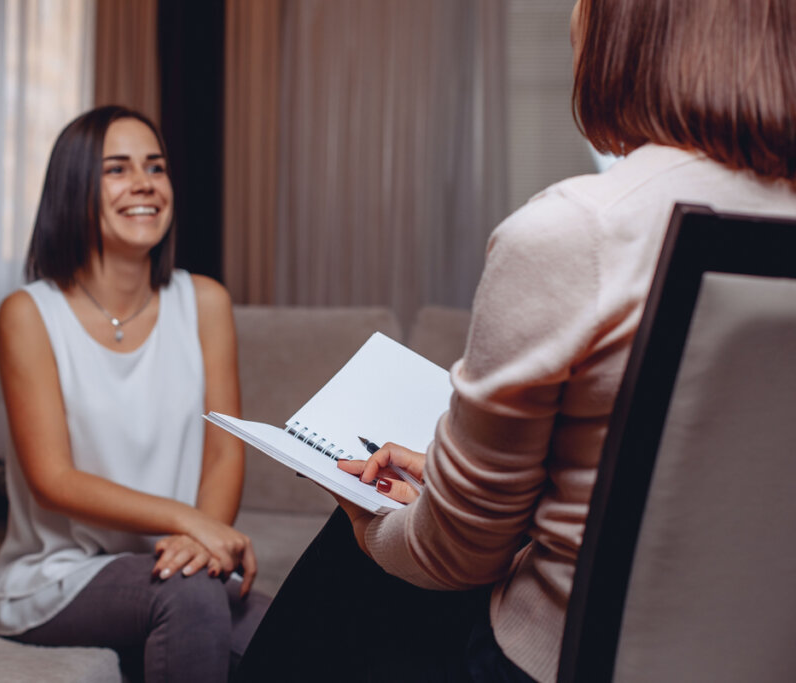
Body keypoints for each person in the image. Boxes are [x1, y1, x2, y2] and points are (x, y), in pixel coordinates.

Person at [237, 1, 796, 681]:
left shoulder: (577, 232)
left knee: (347, 566)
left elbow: (454, 555)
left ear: (628, 39)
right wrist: (452, 479)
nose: (570, 22)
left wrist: (365, 517)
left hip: (552, 663)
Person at [0, 105, 269, 682]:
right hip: (61, 575)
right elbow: (53, 479)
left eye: (156, 167)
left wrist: (201, 540)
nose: (144, 183)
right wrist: (192, 523)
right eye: (117, 169)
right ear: (74, 190)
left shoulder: (206, 303)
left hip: (172, 563)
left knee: (304, 630)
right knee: (188, 596)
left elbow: (224, 450)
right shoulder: (28, 314)